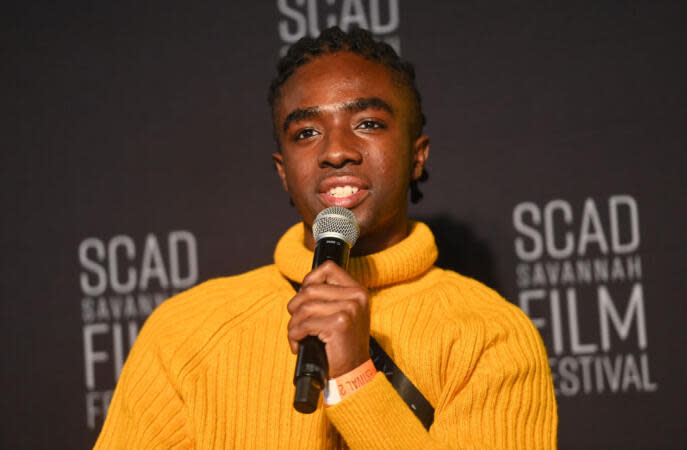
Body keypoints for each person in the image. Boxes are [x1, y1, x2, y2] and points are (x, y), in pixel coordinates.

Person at [95, 27, 557, 449]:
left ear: (418, 156)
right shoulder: (183, 333)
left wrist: (357, 377)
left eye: (368, 124)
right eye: (307, 132)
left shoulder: (491, 336)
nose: (336, 150)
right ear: (282, 171)